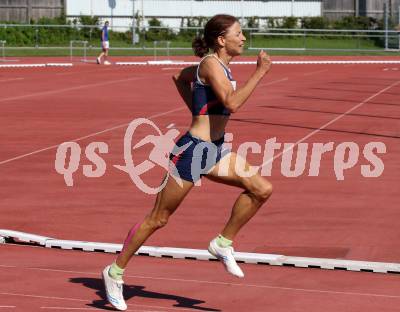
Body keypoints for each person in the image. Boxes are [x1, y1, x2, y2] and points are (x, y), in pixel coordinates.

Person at [101, 14, 272, 311]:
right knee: (159, 218)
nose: (244, 38)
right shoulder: (209, 64)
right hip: (193, 151)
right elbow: (231, 103)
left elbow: (180, 78)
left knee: (261, 189)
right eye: (239, 33)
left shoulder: (215, 67)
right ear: (222, 40)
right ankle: (114, 272)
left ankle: (223, 243)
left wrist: (198, 109)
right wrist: (259, 73)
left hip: (215, 149)